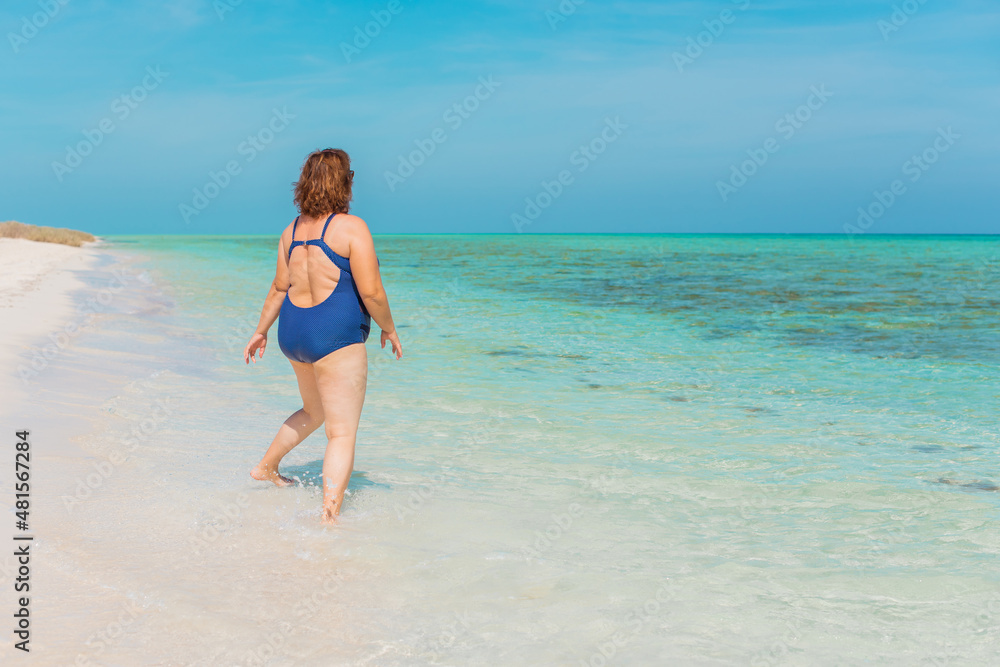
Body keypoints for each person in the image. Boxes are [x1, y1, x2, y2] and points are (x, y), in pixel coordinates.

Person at [243, 148, 402, 524]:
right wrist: (389, 328)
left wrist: (259, 331)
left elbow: (279, 288)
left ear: (306, 184)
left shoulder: (291, 230)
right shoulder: (352, 228)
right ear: (345, 182)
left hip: (293, 333)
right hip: (335, 336)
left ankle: (266, 467)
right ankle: (329, 516)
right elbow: (373, 292)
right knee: (342, 432)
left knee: (314, 411)